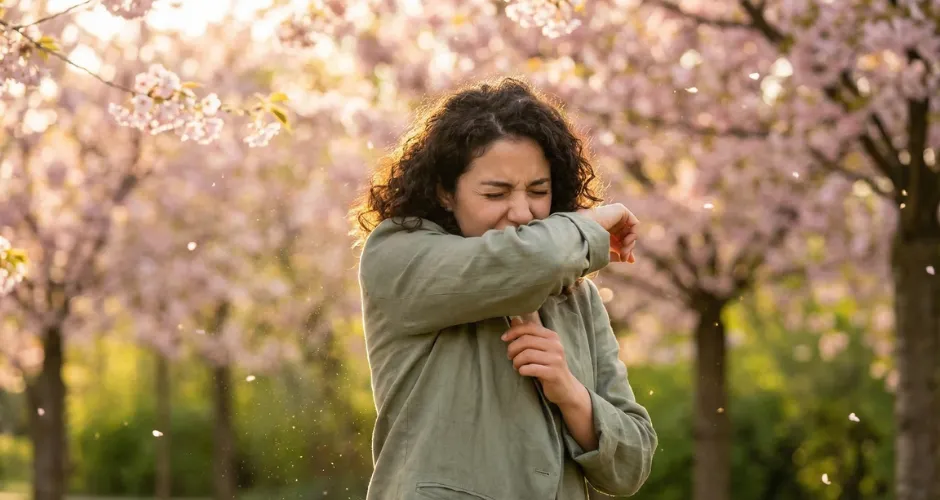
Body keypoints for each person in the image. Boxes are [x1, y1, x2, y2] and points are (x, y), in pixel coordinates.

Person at [351, 77, 656, 499]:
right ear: (444, 191)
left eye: (538, 191)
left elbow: (632, 464)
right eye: (496, 193)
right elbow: (528, 259)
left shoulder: (576, 296)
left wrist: (569, 392)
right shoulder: (397, 256)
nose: (521, 212)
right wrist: (586, 226)